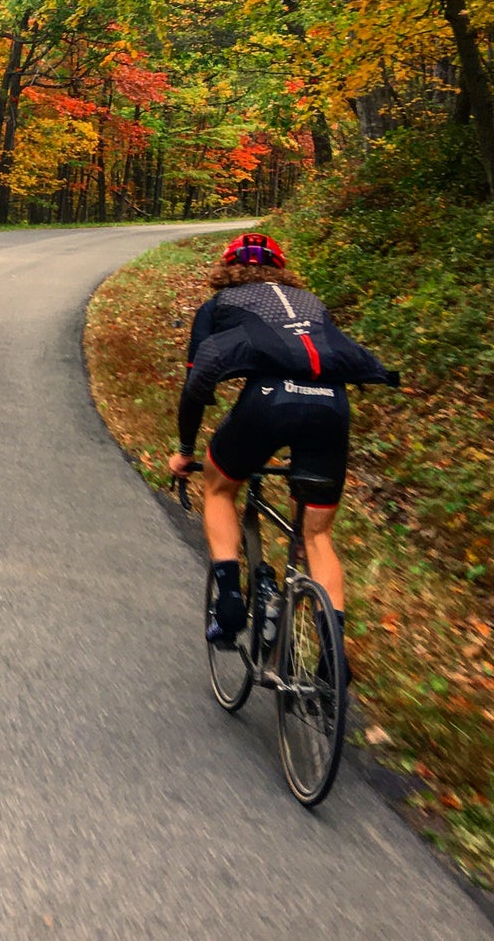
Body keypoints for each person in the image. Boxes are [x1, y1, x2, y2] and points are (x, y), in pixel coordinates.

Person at [164, 232, 394, 650]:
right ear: (280, 270)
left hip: (268, 402)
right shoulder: (313, 305)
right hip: (331, 406)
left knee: (218, 486)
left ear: (227, 270)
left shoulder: (218, 306)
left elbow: (195, 384)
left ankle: (230, 603)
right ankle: (332, 658)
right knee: (317, 534)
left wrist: (185, 451)